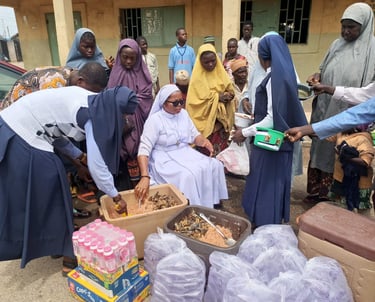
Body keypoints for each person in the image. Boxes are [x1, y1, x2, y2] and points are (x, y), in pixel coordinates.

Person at [0, 85, 138, 276]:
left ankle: (52, 242)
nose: (124, 119)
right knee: (56, 188)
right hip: (22, 134)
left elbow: (55, 130)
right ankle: (69, 257)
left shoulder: (92, 99)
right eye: (122, 115)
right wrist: (115, 197)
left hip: (11, 125)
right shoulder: (92, 116)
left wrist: (81, 157)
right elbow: (98, 169)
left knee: (44, 192)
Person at [0, 62, 109, 216]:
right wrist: (80, 160)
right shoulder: (53, 86)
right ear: (80, 82)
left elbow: (57, 136)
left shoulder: (71, 81)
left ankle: (64, 212)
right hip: (18, 132)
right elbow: (55, 137)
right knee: (46, 174)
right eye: (91, 93)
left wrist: (79, 160)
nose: (90, 99)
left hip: (37, 133)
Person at [231, 33, 307, 228]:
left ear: (264, 57)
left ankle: (265, 225)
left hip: (270, 142)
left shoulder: (274, 78)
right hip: (282, 142)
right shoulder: (287, 73)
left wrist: (244, 133)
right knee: (274, 185)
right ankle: (270, 222)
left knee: (266, 186)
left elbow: (273, 118)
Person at [304, 2, 375, 203]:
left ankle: (333, 197)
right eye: (343, 26)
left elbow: (369, 95)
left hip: (353, 115)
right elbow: (323, 67)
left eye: (351, 27)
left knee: (340, 152)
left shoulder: (372, 51)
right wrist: (317, 77)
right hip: (327, 107)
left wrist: (329, 88)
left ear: (365, 25)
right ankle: (316, 192)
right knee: (321, 145)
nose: (345, 31)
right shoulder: (336, 45)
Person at [135, 84, 228, 208]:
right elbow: (143, 150)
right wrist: (144, 176)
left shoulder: (183, 114)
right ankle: (191, 208)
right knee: (188, 175)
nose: (179, 106)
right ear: (163, 103)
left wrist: (204, 142)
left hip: (184, 151)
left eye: (181, 102)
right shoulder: (155, 120)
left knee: (215, 165)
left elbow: (194, 135)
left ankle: (211, 202)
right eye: (175, 103)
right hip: (164, 157)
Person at [107, 38, 153, 187]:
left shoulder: (143, 73)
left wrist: (129, 103)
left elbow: (146, 96)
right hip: (120, 120)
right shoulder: (115, 74)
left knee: (138, 150)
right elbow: (109, 97)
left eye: (132, 58)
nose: (128, 61)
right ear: (119, 56)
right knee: (122, 154)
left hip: (138, 119)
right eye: (125, 57)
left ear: (137, 58)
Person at [186, 43, 236, 157]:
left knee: (221, 157)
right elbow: (195, 103)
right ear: (200, 61)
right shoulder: (196, 79)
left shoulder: (221, 73)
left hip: (220, 125)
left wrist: (229, 95)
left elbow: (230, 90)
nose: (210, 64)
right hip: (204, 125)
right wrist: (218, 97)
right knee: (205, 156)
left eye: (213, 61)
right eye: (206, 62)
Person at [326, 126, 374, 211]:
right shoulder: (341, 133)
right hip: (340, 178)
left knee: (357, 212)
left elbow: (365, 161)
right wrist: (306, 130)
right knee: (339, 208)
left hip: (358, 184)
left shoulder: (363, 139)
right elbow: (326, 135)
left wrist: (344, 155)